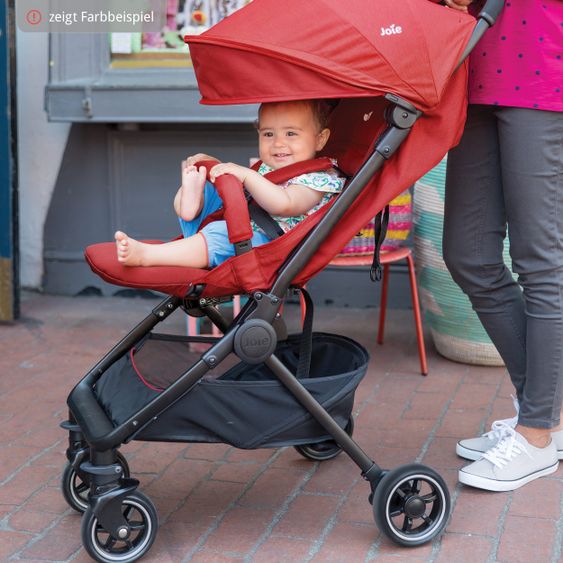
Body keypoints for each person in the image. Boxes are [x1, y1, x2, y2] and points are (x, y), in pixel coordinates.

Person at [439, 0, 563, 491]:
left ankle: (536, 433)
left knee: (541, 263)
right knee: (468, 253)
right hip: (472, 65)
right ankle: (545, 416)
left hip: (542, 64)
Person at [115, 99, 344, 268]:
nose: (278, 144)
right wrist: (214, 167)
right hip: (240, 224)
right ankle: (191, 203)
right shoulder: (269, 168)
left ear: (320, 139)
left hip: (267, 244)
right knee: (210, 182)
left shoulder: (319, 179)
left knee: (220, 233)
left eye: (291, 134)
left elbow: (285, 204)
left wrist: (246, 175)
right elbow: (243, 191)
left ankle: (147, 255)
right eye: (268, 134)